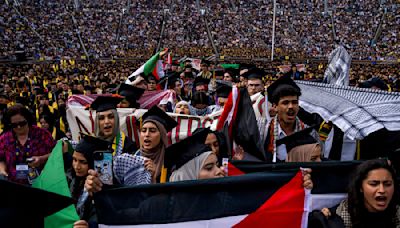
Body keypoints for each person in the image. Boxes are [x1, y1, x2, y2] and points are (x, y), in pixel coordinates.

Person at [85, 106, 177, 193]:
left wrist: (153, 179)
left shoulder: (172, 163)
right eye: (143, 130)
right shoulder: (132, 158)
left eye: (152, 131)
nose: (147, 134)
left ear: (162, 136)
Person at [318, 159, 399, 228]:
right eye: (373, 184)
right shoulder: (335, 220)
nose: (382, 190)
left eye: (387, 184)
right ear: (360, 187)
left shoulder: (397, 215)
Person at [0, 104, 56, 185]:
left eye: (22, 123)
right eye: (14, 125)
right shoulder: (5, 138)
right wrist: (2, 171)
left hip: (42, 183)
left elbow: (56, 153)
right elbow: (1, 159)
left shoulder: (42, 134)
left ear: (28, 120)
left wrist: (41, 159)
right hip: (13, 182)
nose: (19, 127)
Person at [265, 75, 307, 162]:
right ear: (275, 106)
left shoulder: (308, 133)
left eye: (294, 102)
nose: (291, 106)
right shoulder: (263, 131)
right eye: (285, 103)